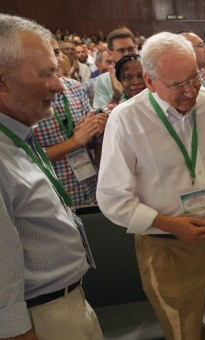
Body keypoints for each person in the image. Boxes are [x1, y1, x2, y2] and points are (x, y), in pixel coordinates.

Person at [96, 32, 205, 340]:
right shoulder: (127, 120)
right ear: (150, 81)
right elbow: (113, 198)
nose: (190, 91)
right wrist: (170, 224)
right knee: (184, 331)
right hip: (166, 248)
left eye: (193, 78)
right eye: (176, 85)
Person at [0, 13, 103, 339]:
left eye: (56, 71)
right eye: (46, 74)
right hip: (39, 319)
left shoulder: (17, 137)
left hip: (66, 303)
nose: (59, 85)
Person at [32, 38, 108, 206]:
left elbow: (94, 140)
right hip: (57, 197)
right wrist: (74, 142)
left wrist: (97, 125)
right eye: (48, 55)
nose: (55, 59)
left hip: (92, 188)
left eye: (56, 52)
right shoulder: (29, 98)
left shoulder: (74, 87)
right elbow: (29, 156)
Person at [92, 28, 137, 108]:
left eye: (130, 49)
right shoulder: (103, 80)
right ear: (110, 53)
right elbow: (100, 116)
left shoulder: (147, 73)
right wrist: (116, 96)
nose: (127, 54)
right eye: (121, 50)